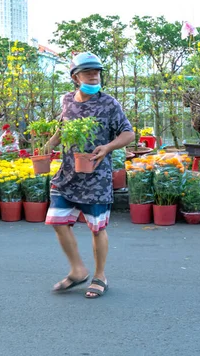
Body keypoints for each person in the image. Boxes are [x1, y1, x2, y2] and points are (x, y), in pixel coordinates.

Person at [44, 52, 134, 298]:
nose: (94, 76)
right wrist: (52, 141)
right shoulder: (66, 100)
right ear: (75, 77)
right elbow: (63, 127)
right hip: (67, 175)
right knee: (57, 221)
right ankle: (77, 270)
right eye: (88, 72)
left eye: (97, 72)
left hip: (96, 176)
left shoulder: (109, 103)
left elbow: (128, 134)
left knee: (96, 229)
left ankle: (100, 275)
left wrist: (107, 147)